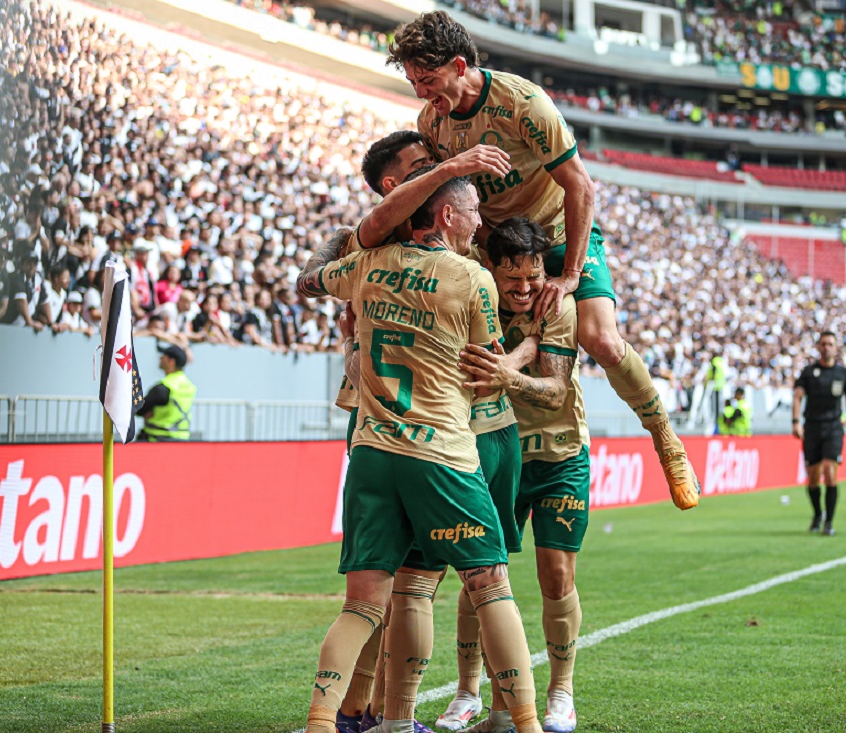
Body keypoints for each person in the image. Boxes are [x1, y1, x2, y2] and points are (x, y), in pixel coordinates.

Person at [385, 11, 699, 511]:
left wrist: (570, 275)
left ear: (459, 65)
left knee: (600, 339)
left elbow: (580, 185)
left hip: (557, 233)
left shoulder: (523, 103)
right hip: (497, 244)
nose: (422, 93)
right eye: (414, 83)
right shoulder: (432, 123)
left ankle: (665, 436)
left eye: (428, 79)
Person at [295, 176, 545, 733]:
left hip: (371, 451)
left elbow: (308, 280)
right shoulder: (472, 277)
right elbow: (487, 370)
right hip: (442, 454)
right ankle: (526, 723)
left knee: (362, 606)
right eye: (473, 210)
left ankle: (320, 721)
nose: (480, 221)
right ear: (447, 216)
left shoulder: (366, 262)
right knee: (490, 587)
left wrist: (345, 237)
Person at [456, 217, 589, 733]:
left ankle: (561, 691)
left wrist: (508, 371)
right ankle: (471, 692)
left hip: (559, 454)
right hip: (495, 449)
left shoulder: (558, 305)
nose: (526, 289)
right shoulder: (474, 294)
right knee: (481, 574)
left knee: (556, 574)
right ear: (491, 268)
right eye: (513, 279)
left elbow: (555, 392)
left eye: (533, 276)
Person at [791, 332, 846, 537]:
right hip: (812, 428)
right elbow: (797, 396)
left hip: (833, 428)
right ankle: (818, 514)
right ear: (818, 347)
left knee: (829, 472)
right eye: (823, 344)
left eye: (830, 344)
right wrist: (795, 422)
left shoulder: (842, 373)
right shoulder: (809, 372)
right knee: (812, 477)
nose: (827, 347)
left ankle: (829, 522)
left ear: (835, 348)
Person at [136, 345, 197, 441]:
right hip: (182, 437)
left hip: (158, 437)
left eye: (164, 356)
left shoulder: (164, 387)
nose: (160, 358)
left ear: (171, 361)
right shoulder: (189, 385)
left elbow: (139, 409)